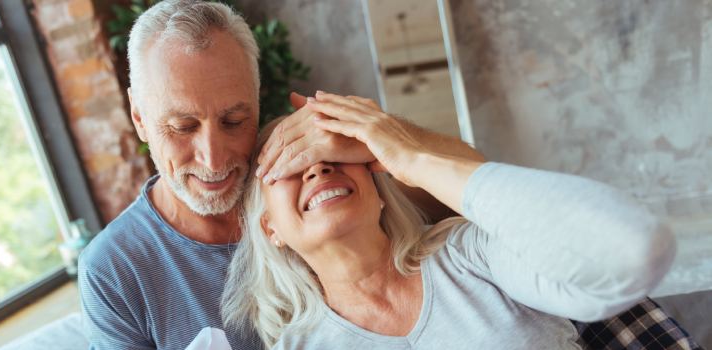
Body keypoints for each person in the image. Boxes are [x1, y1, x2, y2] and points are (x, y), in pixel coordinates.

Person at [77, 1, 483, 349]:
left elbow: (480, 188)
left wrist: (386, 136)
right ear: (139, 118)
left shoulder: (323, 182)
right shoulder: (115, 270)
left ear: (256, 101)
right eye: (182, 127)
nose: (213, 158)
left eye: (234, 120)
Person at [221, 91, 677, 349]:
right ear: (270, 229)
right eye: (289, 165)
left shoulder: (468, 255)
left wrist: (408, 155)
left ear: (380, 190)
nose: (318, 169)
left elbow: (637, 249)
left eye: (336, 154)